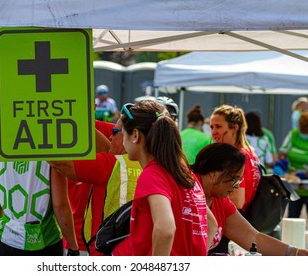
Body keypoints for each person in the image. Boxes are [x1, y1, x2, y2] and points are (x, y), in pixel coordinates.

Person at [115, 100, 208, 256]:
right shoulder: (183, 171)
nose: (122, 140)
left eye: (123, 133)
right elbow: (210, 224)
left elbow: (165, 229)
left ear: (135, 135)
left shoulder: (153, 175)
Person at [192, 142, 308, 256]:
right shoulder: (187, 193)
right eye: (234, 179)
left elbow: (252, 237)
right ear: (214, 175)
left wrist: (296, 253)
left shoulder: (219, 200)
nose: (237, 185)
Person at [49, 119, 142, 256]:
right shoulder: (153, 163)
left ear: (133, 136)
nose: (110, 136)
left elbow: (62, 164)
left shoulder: (112, 163)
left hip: (103, 249)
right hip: (133, 249)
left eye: (115, 132)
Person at [0, 160, 78, 256]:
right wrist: (73, 247)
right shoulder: (52, 151)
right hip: (46, 241)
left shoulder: (2, 151)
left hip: (7, 241)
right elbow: (60, 206)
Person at [209, 104, 261, 254]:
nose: (213, 132)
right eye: (211, 127)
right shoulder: (250, 152)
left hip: (231, 225)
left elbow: (238, 200)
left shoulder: (237, 156)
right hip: (244, 223)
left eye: (218, 126)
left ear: (234, 128)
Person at [279, 112, 308, 218]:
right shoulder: (293, 134)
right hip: (294, 186)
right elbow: (282, 153)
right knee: (292, 219)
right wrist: (282, 163)